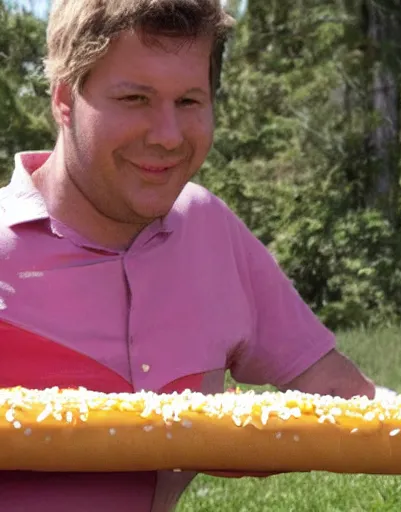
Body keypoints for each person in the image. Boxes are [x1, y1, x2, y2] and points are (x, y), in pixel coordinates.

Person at [0, 0, 378, 510]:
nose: (168, 136)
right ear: (65, 99)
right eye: (135, 98)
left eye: (189, 102)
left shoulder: (207, 227)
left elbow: (350, 400)